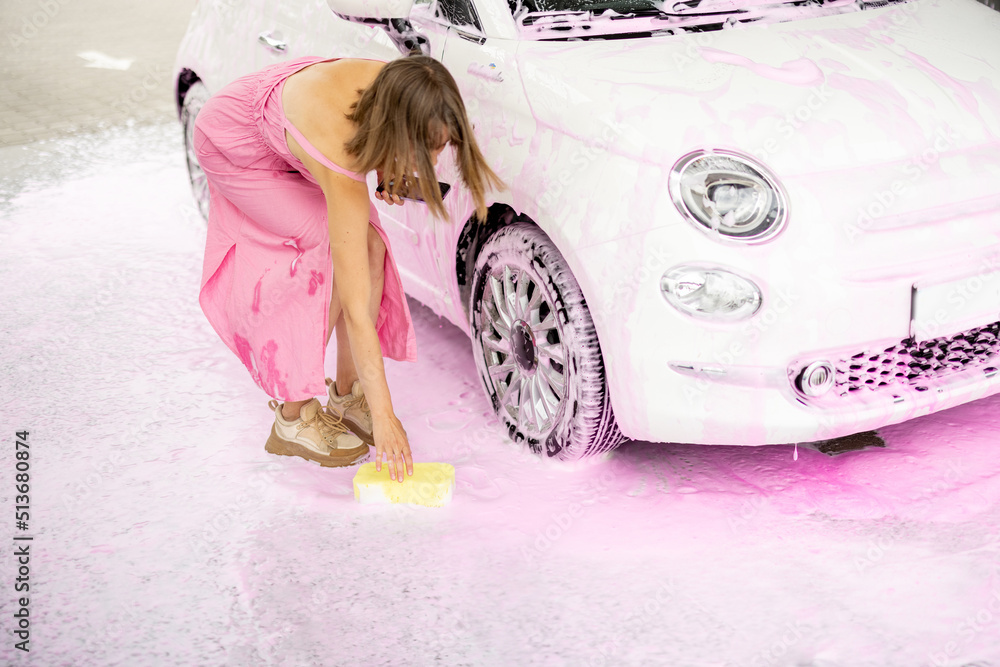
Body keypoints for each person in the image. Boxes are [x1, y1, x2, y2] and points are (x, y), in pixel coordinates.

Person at [193, 54, 503, 482]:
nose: (433, 163)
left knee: (371, 243)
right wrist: (387, 416)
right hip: (233, 143)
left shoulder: (402, 86)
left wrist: (386, 164)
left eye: (440, 146)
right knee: (330, 246)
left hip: (295, 124)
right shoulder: (338, 148)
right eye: (425, 149)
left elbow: (366, 134)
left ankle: (345, 395)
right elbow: (357, 309)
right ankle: (294, 415)